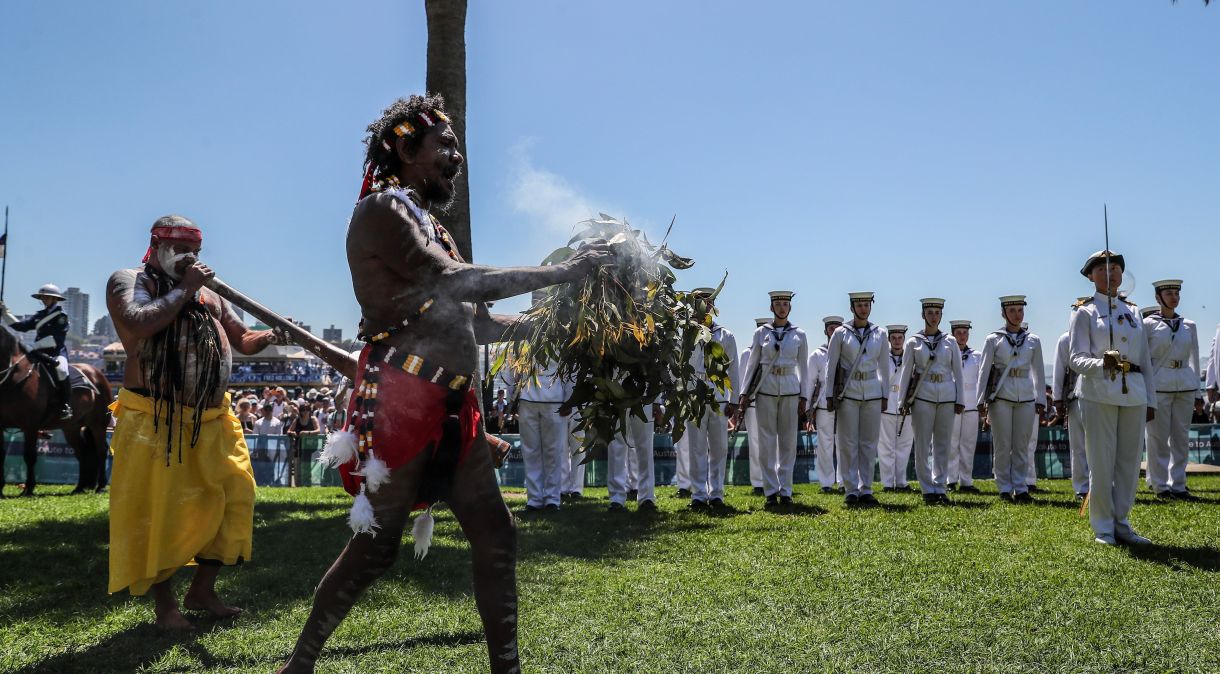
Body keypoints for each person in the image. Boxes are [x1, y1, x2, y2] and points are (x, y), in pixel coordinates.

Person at [279, 94, 613, 674]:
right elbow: (450, 279)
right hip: (403, 405)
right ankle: (301, 663)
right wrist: (563, 272)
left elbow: (474, 319)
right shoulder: (383, 210)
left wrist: (553, 325)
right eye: (443, 146)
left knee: (496, 533)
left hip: (457, 408)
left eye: (455, 145)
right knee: (375, 548)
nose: (455, 157)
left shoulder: (428, 223)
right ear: (406, 149)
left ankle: (506, 669)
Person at [106, 215, 283, 629]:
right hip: (154, 418)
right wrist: (186, 289)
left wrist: (272, 334)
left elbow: (243, 340)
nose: (191, 259)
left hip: (212, 417)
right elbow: (136, 323)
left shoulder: (211, 295)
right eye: (182, 250)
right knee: (161, 512)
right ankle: (165, 605)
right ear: (156, 244)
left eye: (197, 252)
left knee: (236, 497)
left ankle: (202, 589)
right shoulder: (128, 280)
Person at [1070, 250, 1156, 546]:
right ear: (1091, 276)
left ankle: (1122, 522)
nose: (1112, 274)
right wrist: (1101, 364)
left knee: (1129, 463)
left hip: (1133, 392)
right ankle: (1104, 527)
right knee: (1102, 462)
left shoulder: (1133, 312)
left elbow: (1145, 359)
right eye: (1104, 269)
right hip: (1098, 393)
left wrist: (1152, 400)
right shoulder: (1084, 312)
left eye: (1116, 268)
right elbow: (1076, 359)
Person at [737, 291, 809, 507]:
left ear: (790, 308)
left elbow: (803, 369)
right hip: (766, 390)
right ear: (771, 308)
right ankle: (770, 491)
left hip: (789, 389)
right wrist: (744, 393)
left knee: (787, 442)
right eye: (778, 304)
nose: (781, 308)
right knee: (766, 441)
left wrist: (804, 395)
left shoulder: (799, 334)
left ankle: (785, 490)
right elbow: (752, 365)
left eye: (785, 304)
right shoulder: (761, 333)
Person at [977, 295, 1045, 504]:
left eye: (1020, 310)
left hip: (1025, 396)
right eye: (1013, 310)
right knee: (1003, 444)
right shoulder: (993, 339)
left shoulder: (1033, 340)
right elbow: (984, 370)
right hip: (1001, 396)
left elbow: (1039, 372)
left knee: (1022, 445)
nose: (1017, 314)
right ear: (1004, 313)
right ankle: (1004, 487)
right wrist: (981, 400)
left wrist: (1040, 398)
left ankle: (1021, 487)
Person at [897, 299, 965, 505]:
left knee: (943, 444)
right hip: (923, 396)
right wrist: (903, 402)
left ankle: (940, 486)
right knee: (923, 444)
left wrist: (960, 398)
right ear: (923, 315)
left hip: (945, 395)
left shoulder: (950, 341)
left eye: (937, 312)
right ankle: (927, 488)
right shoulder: (913, 342)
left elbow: (958, 373)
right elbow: (906, 372)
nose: (933, 316)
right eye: (929, 312)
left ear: (941, 316)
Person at [825, 292, 889, 506]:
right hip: (848, 392)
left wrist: (885, 394)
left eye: (866, 305)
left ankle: (867, 488)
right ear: (852, 308)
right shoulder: (841, 333)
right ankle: (851, 489)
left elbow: (884, 367)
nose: (863, 309)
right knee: (848, 442)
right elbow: (831, 365)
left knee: (869, 443)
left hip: (871, 390)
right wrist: (829, 394)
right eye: (859, 305)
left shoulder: (879, 333)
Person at [1143, 279, 1201, 500]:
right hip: (1159, 385)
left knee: (1181, 438)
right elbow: (1145, 359)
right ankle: (1160, 485)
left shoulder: (1189, 325)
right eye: (1168, 293)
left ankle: (1178, 484)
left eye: (1176, 293)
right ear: (1158, 298)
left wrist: (1197, 391)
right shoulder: (1148, 325)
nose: (1174, 297)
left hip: (1185, 384)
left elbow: (1195, 358)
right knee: (1158, 438)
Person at [682, 288, 740, 509]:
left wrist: (734, 399)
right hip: (694, 395)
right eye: (700, 301)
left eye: (708, 301)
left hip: (718, 397)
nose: (704, 305)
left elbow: (733, 369)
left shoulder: (725, 335)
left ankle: (716, 493)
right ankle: (698, 494)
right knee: (696, 448)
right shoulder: (685, 332)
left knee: (718, 448)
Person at [505, 351, 571, 512]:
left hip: (548, 400)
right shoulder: (523, 332)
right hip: (538, 398)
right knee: (540, 451)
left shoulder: (557, 330)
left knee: (547, 451)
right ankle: (540, 499)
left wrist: (569, 399)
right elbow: (510, 367)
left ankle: (548, 499)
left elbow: (570, 366)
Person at [1, 283, 74, 419]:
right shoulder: (40, 315)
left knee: (62, 370)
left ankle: (65, 405)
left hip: (55, 352)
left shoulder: (61, 316)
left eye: (47, 297)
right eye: (42, 297)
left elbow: (56, 339)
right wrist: (5, 312)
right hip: (37, 351)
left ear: (54, 299)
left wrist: (34, 346)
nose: (44, 300)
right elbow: (21, 326)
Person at [1052, 298, 1093, 500]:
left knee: (1100, 445)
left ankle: (1099, 485)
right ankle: (1081, 487)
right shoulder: (1065, 340)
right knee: (1078, 446)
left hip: (1098, 396)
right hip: (1075, 397)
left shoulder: (1099, 336)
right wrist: (1058, 400)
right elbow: (1059, 371)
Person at [803, 315, 843, 493]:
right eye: (830, 328)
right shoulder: (817, 355)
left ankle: (844, 481)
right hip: (823, 404)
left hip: (845, 402)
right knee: (825, 444)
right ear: (826, 331)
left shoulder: (849, 352)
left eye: (837, 327)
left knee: (845, 443)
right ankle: (826, 482)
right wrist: (807, 410)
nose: (833, 331)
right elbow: (810, 381)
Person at [947, 320, 982, 493]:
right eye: (959, 332)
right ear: (953, 334)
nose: (962, 336)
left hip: (972, 404)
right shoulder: (947, 354)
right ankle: (950, 480)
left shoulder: (977, 355)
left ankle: (966, 481)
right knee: (951, 443)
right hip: (953, 403)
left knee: (968, 444)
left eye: (965, 333)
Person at [608, 397, 661, 512]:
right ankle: (616, 498)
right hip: (617, 395)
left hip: (645, 396)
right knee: (616, 446)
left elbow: (656, 378)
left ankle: (647, 497)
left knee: (645, 447)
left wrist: (656, 401)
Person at [878, 325, 914, 492]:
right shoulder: (882, 357)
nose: (897, 341)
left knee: (904, 446)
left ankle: (901, 481)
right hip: (887, 404)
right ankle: (887, 483)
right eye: (894, 338)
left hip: (905, 406)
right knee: (886, 446)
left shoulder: (911, 357)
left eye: (900, 338)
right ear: (889, 340)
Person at [740, 317, 770, 495]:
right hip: (752, 404)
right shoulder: (747, 353)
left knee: (772, 443)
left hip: (771, 400)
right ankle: (758, 482)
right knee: (756, 443)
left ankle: (773, 479)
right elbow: (743, 380)